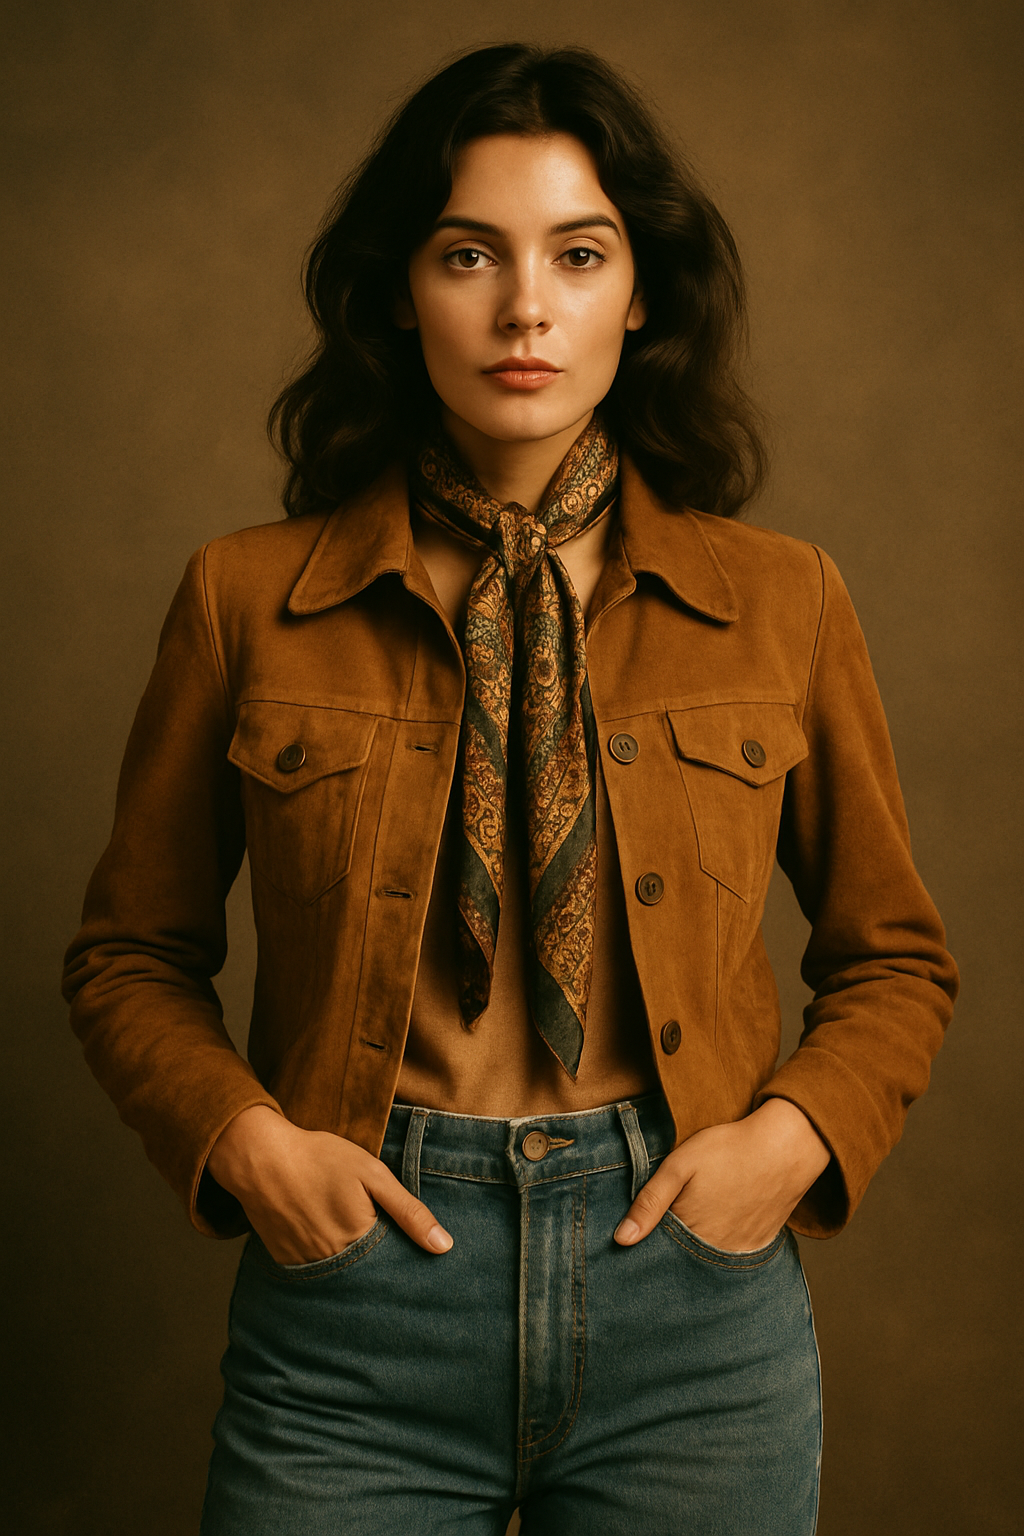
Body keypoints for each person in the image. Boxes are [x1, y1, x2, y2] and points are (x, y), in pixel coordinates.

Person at [62, 42, 958, 1536]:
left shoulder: (784, 601)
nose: (525, 308)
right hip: (356, 1312)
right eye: (469, 252)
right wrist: (246, 1143)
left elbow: (895, 958)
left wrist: (787, 1143)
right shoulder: (241, 598)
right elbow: (128, 956)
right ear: (400, 288)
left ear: (642, 290)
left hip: (689, 1308)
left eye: (580, 253)